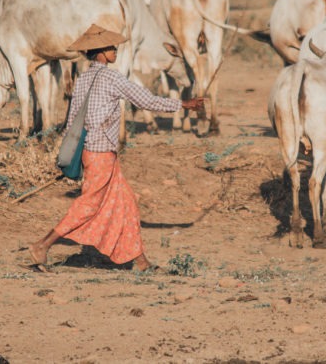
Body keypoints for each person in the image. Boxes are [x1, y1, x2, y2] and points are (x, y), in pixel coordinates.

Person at [29, 24, 204, 272]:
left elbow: (72, 120)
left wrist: (76, 154)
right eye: (111, 47)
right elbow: (146, 100)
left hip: (94, 152)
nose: (115, 51)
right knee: (87, 206)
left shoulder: (84, 79)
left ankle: (141, 261)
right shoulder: (111, 77)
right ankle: (42, 245)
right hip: (101, 154)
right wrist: (183, 104)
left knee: (127, 205)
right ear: (98, 51)